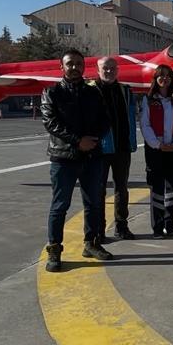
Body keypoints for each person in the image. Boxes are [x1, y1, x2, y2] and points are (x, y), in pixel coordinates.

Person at [41, 49, 112, 271]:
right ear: (61, 67)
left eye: (78, 64)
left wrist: (93, 140)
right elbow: (50, 122)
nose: (74, 67)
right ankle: (54, 249)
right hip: (63, 157)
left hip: (92, 156)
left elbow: (105, 120)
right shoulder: (51, 93)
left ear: (84, 67)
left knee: (93, 203)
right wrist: (76, 141)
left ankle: (91, 243)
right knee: (60, 205)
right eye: (70, 64)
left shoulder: (94, 93)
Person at [139, 66, 173, 236]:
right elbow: (145, 125)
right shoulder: (148, 100)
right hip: (156, 150)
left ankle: (169, 223)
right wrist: (157, 144)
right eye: (161, 76)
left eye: (168, 76)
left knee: (172, 187)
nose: (165, 79)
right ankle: (157, 225)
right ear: (156, 78)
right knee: (156, 187)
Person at [93, 56, 138, 242]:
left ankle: (121, 225)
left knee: (122, 188)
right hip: (99, 151)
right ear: (98, 70)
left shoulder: (125, 91)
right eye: (105, 68)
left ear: (117, 70)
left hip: (122, 148)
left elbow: (130, 116)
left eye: (112, 68)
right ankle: (99, 230)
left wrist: (131, 142)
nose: (109, 71)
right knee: (99, 190)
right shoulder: (90, 91)